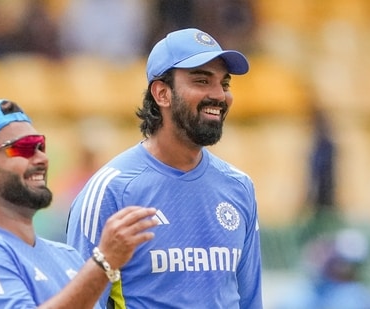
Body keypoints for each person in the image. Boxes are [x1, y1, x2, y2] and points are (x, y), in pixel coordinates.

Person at [66, 28, 263, 308]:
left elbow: (250, 300)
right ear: (162, 93)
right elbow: (79, 301)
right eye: (202, 81)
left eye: (225, 83)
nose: (219, 95)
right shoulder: (112, 190)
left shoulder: (239, 187)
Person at [0, 99, 158, 308]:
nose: (42, 158)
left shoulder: (68, 256)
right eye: (23, 148)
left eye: (39, 145)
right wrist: (103, 264)